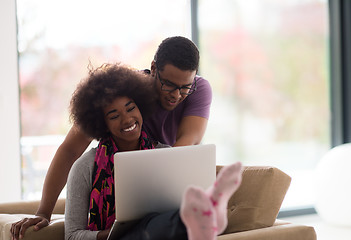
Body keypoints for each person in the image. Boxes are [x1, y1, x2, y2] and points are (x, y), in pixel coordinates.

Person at [10, 36, 212, 239]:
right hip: (116, 189)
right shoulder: (123, 93)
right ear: (153, 68)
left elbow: (188, 144)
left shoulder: (198, 90)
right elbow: (70, 150)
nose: (176, 95)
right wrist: (44, 212)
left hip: (159, 183)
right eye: (169, 84)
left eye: (185, 86)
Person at [59, 63, 239, 240]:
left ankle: (206, 214)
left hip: (161, 232)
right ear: (102, 124)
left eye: (131, 108)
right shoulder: (84, 167)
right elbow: (72, 235)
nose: (127, 119)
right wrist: (112, 234)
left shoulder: (165, 154)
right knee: (150, 226)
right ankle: (206, 216)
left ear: (141, 108)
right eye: (114, 116)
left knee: (163, 220)